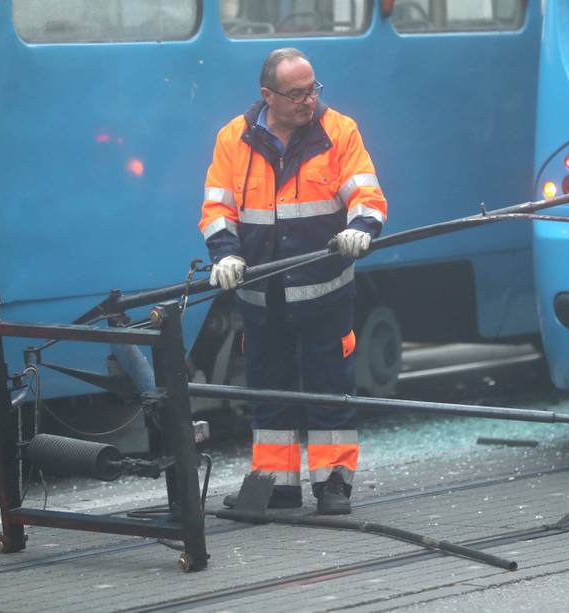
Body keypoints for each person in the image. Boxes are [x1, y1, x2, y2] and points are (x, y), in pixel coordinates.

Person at [198, 48, 387, 515]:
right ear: (268, 95)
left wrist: (360, 230)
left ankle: (333, 485)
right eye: (297, 93)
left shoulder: (338, 131)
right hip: (262, 297)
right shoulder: (233, 139)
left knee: (330, 391)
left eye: (313, 89)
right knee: (268, 394)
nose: (310, 101)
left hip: (325, 292)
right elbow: (218, 208)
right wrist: (225, 254)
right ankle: (277, 487)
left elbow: (366, 193)